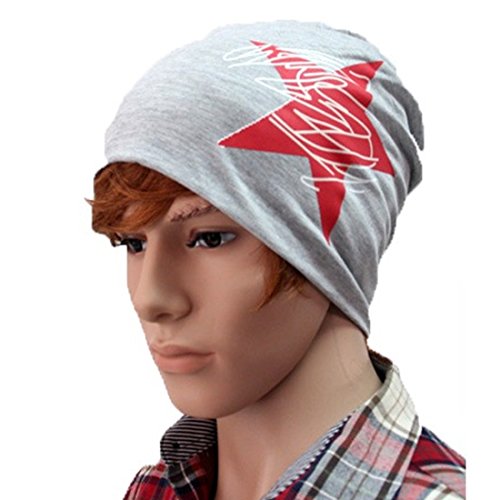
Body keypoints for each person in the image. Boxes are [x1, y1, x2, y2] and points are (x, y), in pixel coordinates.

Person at [89, 20, 466, 499]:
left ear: (335, 248)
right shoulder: (155, 490)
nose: (151, 299)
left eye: (210, 238)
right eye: (133, 243)